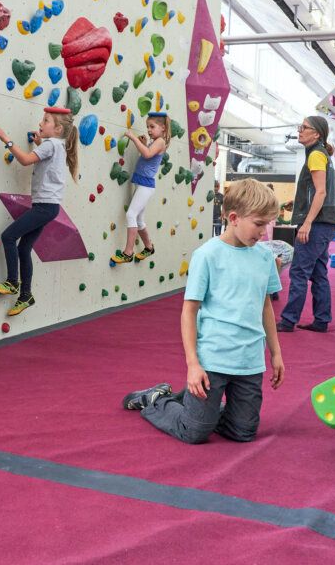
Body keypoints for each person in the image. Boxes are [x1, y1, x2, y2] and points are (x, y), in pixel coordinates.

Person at [122, 178, 285, 444]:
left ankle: (197, 407)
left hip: (249, 361)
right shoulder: (207, 255)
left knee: (242, 432)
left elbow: (265, 305)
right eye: (258, 224)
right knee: (195, 431)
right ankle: (157, 400)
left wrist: (276, 353)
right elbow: (189, 311)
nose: (263, 232)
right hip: (213, 360)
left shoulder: (264, 256)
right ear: (234, 217)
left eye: (266, 224)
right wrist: (193, 364)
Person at [0, 107, 78, 316]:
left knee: (8, 236)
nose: (40, 123)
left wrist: (6, 140)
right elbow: (44, 159)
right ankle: (26, 295)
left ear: (57, 129)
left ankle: (12, 282)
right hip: (47, 207)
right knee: (23, 249)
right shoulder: (57, 145)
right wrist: (39, 143)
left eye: (45, 121)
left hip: (45, 206)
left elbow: (26, 160)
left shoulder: (51, 144)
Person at [277, 116, 335, 333]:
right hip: (327, 223)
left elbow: (321, 192)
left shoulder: (315, 155)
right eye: (300, 127)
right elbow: (317, 190)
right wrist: (297, 202)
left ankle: (288, 320)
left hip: (318, 224)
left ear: (317, 134)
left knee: (299, 272)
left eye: (305, 128)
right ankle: (322, 320)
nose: (300, 131)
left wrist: (307, 223)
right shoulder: (320, 154)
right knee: (318, 273)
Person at [110, 112, 169, 265]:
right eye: (147, 127)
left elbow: (148, 154)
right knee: (139, 220)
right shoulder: (155, 141)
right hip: (141, 183)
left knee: (131, 215)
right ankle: (149, 247)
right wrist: (143, 142)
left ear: (163, 128)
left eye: (152, 127)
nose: (149, 130)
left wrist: (134, 138)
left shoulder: (160, 141)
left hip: (146, 185)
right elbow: (146, 154)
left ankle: (128, 253)